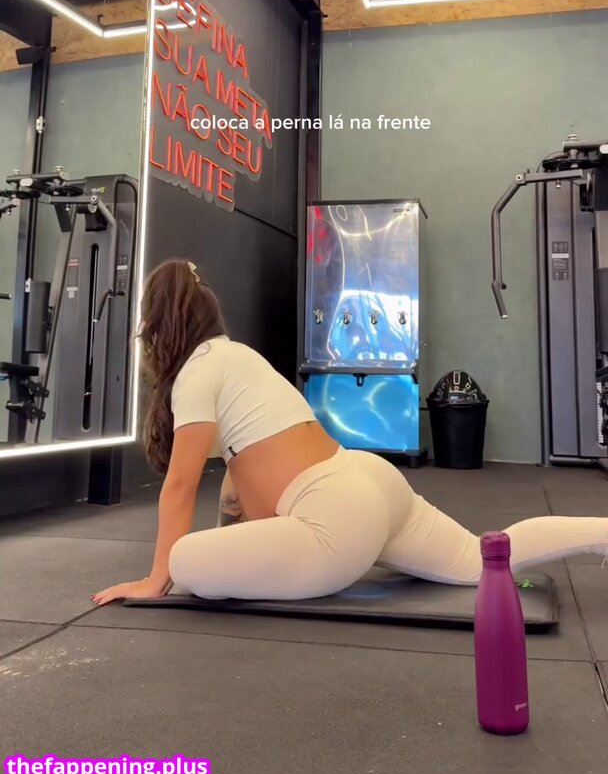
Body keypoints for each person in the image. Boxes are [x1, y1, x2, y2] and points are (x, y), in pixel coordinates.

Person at [92, 259, 608, 606]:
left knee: (185, 561)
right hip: (368, 477)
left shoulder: (195, 374)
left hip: (335, 516)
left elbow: (181, 485)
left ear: (159, 327)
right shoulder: (239, 358)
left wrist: (157, 577)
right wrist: (239, 534)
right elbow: (237, 485)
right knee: (481, 557)